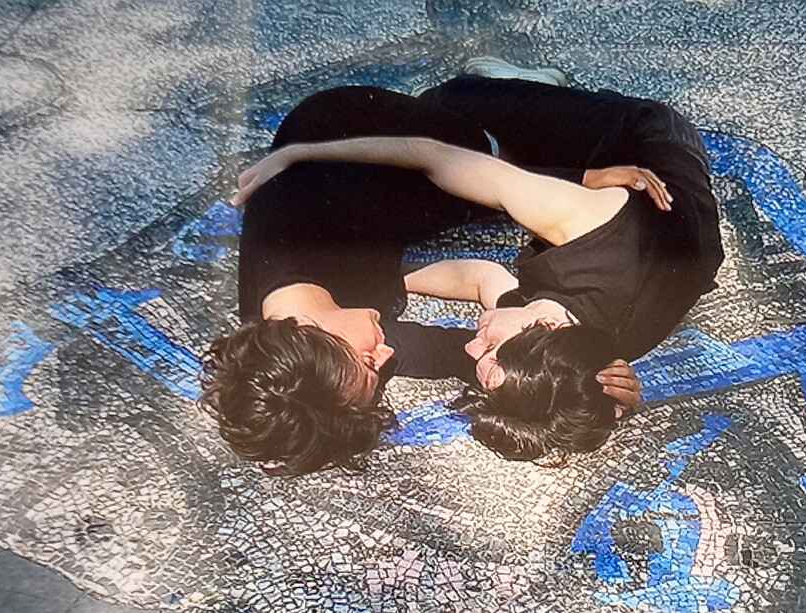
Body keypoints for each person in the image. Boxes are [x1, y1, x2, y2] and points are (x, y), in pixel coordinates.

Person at [232, 72, 724, 461]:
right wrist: (587, 394)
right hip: (643, 228)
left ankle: (492, 113)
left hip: (345, 130)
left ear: (305, 326)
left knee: (463, 111)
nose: (384, 359)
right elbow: (477, 337)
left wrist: (296, 154)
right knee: (496, 180)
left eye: (367, 362)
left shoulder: (299, 219)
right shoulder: (331, 365)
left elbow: (436, 161)